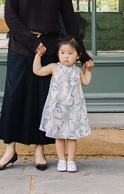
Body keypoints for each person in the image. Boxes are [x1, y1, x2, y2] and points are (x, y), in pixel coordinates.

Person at [0, 0, 92, 172]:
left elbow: (69, 21)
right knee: (14, 97)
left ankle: (40, 150)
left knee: (43, 101)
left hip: (49, 49)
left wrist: (83, 54)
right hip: (21, 46)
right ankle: (10, 150)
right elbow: (11, 16)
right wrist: (30, 41)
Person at [33, 37, 93, 172]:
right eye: (63, 53)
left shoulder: (76, 70)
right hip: (58, 108)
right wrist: (38, 55)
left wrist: (88, 70)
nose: (66, 56)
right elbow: (37, 70)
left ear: (78, 56)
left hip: (73, 109)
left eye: (70, 53)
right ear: (58, 54)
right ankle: (61, 160)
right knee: (59, 136)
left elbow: (86, 81)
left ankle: (71, 160)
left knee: (72, 136)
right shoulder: (54, 68)